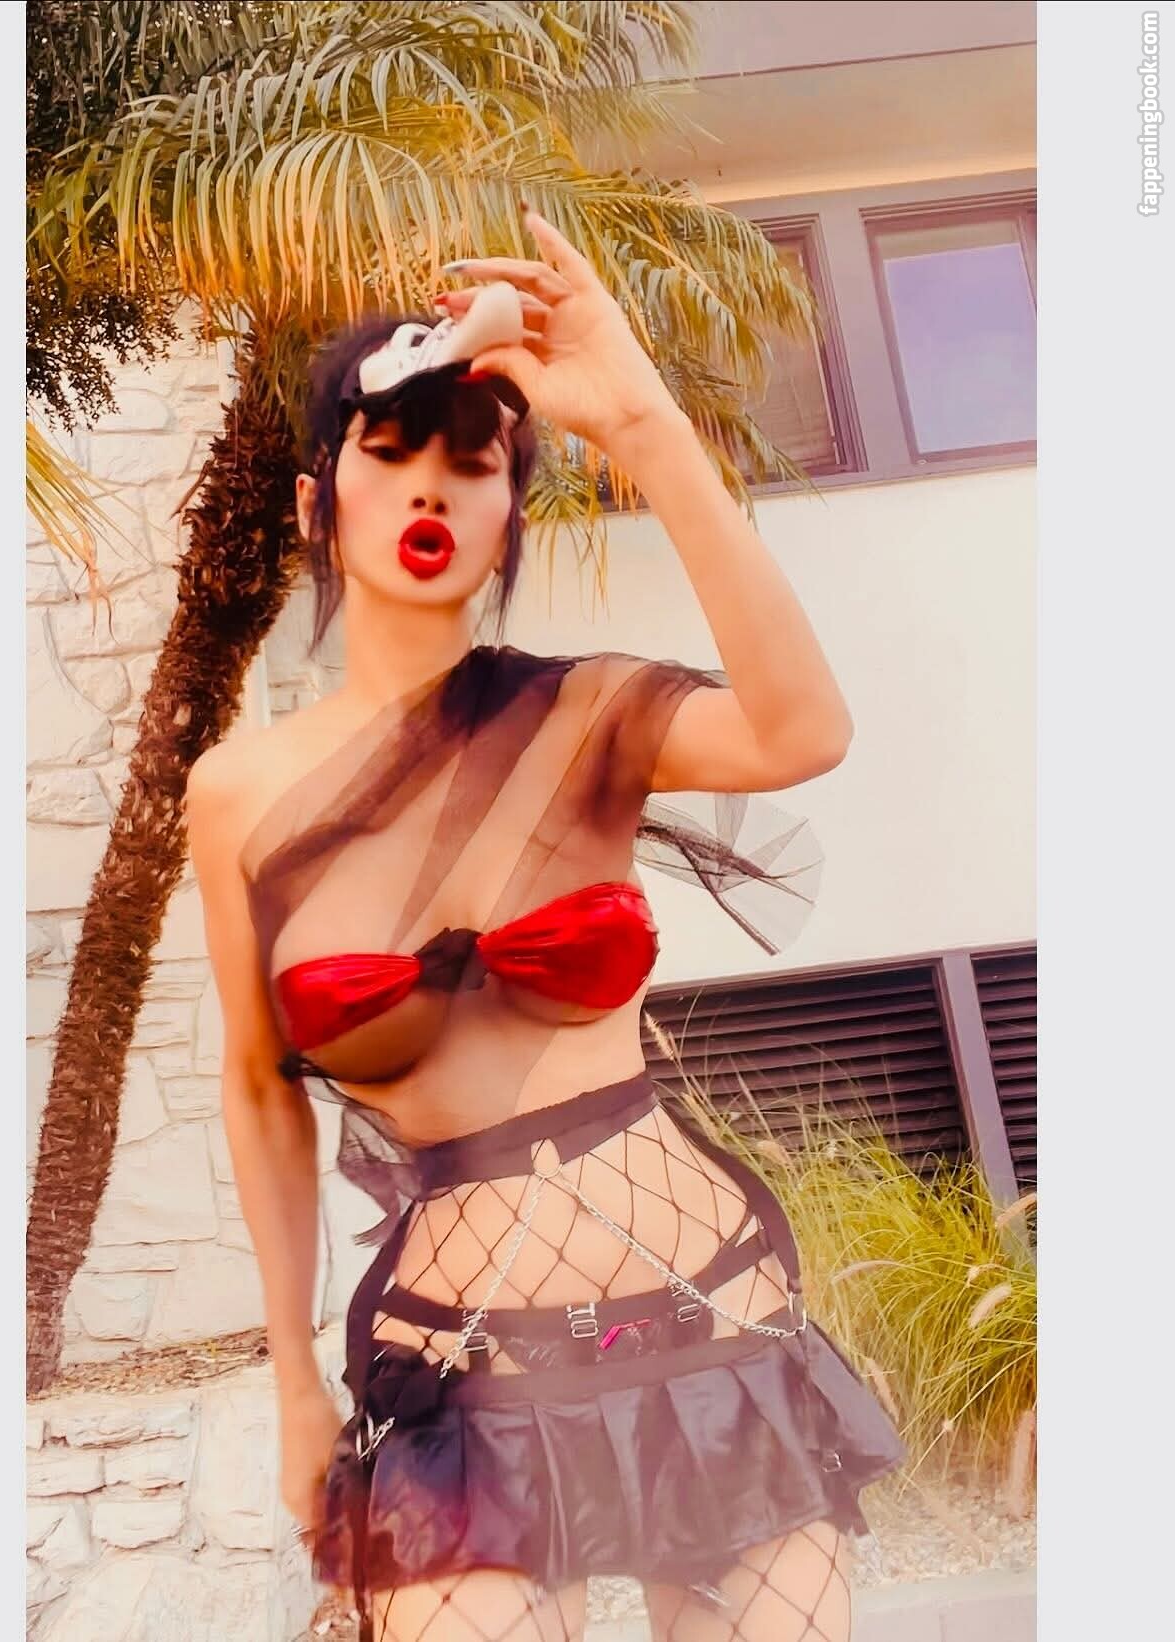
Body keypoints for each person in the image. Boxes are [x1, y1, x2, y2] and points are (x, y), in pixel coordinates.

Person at [186, 208, 905, 1642]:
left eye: (475, 462)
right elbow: (261, 1090)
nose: (433, 484)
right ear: (321, 501)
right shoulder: (238, 792)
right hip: (460, 1383)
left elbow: (802, 729)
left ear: (510, 512)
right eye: (392, 452)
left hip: (706, 1320)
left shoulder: (582, 712)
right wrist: (291, 1380)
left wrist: (642, 424)